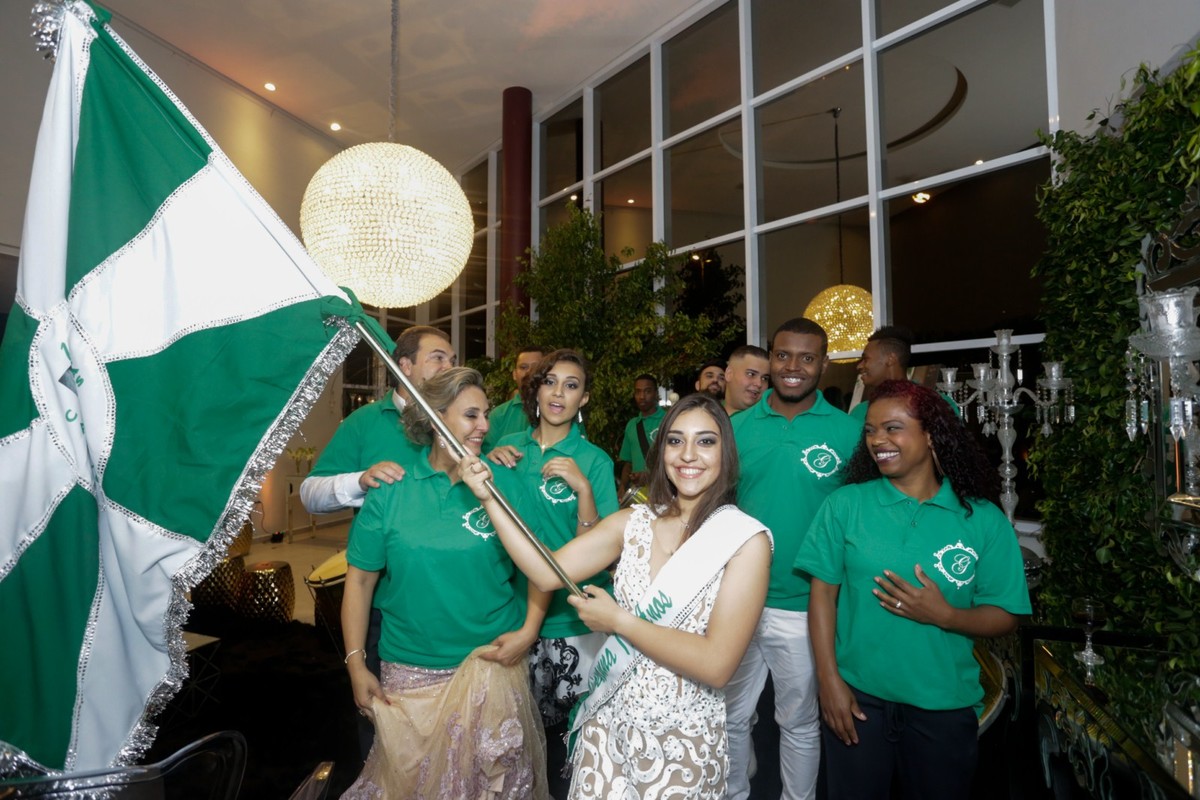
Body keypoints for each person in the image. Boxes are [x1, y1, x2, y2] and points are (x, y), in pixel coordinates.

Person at [463, 393, 772, 799]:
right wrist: (489, 498)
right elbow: (545, 571)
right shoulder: (633, 521)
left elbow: (717, 665)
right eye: (675, 440)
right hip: (607, 729)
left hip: (681, 741)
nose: (688, 455)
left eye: (705, 441)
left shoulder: (743, 541)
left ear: (725, 453)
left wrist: (619, 622)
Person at [795, 380, 1030, 798]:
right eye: (870, 430)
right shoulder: (845, 505)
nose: (877, 440)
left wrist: (946, 616)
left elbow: (1006, 615)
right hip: (857, 699)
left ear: (931, 435)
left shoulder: (982, 520)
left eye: (893, 428)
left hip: (943, 706)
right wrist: (828, 681)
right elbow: (822, 596)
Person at [340, 367, 549, 799]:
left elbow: (542, 568)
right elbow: (358, 582)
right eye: (471, 415)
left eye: (486, 414)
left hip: (492, 667)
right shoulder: (392, 488)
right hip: (410, 673)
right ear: (435, 418)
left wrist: (529, 630)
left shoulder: (504, 482)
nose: (485, 425)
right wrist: (357, 665)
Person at [299, 325, 456, 758]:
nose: (449, 366)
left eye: (452, 359)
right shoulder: (364, 422)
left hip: (449, 601)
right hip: (381, 601)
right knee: (384, 719)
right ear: (403, 365)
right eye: (438, 358)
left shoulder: (459, 423)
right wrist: (359, 481)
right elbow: (310, 493)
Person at [725, 317, 861, 800]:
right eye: (783, 355)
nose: (793, 367)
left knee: (799, 721)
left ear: (823, 364)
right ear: (770, 359)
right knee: (730, 716)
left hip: (805, 605)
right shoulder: (735, 428)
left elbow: (858, 521)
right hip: (737, 599)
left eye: (807, 358)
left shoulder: (848, 432)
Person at [486, 348, 620, 795]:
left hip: (574, 623)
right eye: (550, 382)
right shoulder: (508, 451)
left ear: (584, 399)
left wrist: (583, 489)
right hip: (512, 617)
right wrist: (490, 459)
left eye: (572, 385)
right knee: (515, 748)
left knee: (575, 748)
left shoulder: (594, 461)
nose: (559, 393)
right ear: (536, 390)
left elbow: (601, 551)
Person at [483, 345, 545, 450]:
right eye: (523, 367)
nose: (529, 372)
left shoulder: (559, 413)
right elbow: (486, 457)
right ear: (514, 374)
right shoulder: (498, 416)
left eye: (536, 367)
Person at [617, 374, 664, 495]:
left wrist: (649, 476)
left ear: (656, 393)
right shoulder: (632, 425)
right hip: (639, 495)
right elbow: (628, 463)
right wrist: (622, 486)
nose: (642, 396)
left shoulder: (669, 420)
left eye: (647, 391)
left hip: (664, 492)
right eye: (638, 392)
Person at [723, 345, 770, 415]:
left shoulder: (773, 420)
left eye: (764, 378)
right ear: (729, 374)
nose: (759, 384)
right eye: (751, 374)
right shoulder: (707, 412)